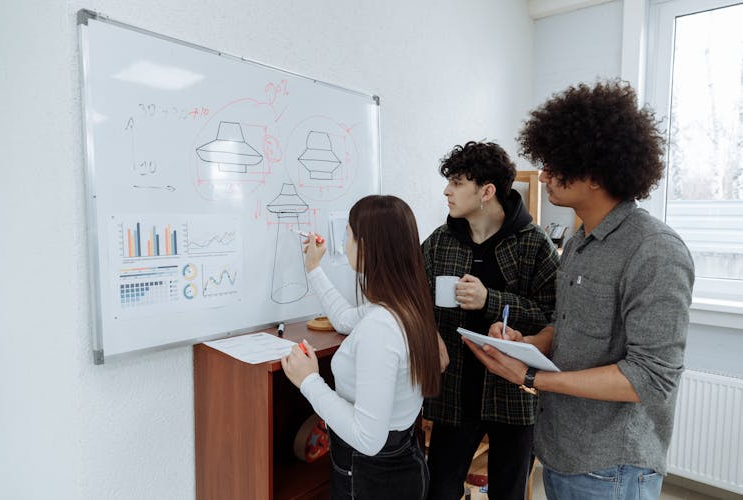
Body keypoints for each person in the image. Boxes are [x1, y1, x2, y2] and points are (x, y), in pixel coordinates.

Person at [464, 80, 695, 500]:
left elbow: (651, 377)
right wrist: (526, 343)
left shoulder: (655, 251)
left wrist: (531, 375)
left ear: (595, 172)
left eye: (556, 164)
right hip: (562, 450)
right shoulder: (577, 243)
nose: (545, 176)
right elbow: (567, 326)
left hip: (612, 465)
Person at [422, 141, 560, 500]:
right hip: (452, 394)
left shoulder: (534, 244)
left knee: (508, 493)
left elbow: (554, 317)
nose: (446, 191)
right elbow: (414, 299)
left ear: (486, 191)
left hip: (514, 397)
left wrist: (490, 300)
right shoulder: (440, 242)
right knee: (438, 490)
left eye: (456, 182)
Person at [281, 195, 441, 500]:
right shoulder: (405, 306)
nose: (345, 241)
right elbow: (343, 319)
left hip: (373, 479)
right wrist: (314, 268)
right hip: (402, 465)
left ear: (366, 246)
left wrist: (309, 381)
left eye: (348, 234)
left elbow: (367, 439)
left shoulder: (380, 327)